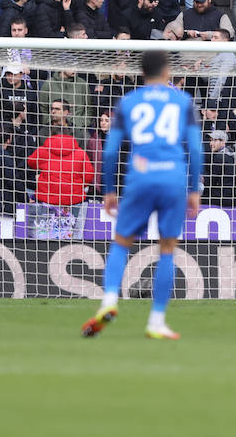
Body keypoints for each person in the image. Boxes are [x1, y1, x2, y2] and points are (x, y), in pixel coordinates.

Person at [83, 50, 202, 341]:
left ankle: (109, 300)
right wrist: (195, 189)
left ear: (142, 72)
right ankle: (156, 321)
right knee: (167, 249)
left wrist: (109, 189)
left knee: (121, 242)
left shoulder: (128, 101)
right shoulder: (183, 101)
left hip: (140, 176)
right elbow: (196, 149)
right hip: (173, 177)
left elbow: (110, 150)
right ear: (166, 71)